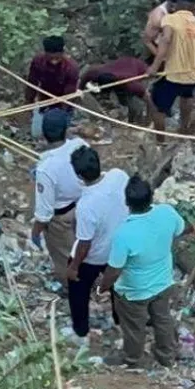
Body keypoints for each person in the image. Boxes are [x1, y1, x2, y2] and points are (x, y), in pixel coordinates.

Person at [100, 175, 195, 368]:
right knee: (162, 319)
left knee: (134, 327)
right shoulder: (167, 213)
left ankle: (133, 358)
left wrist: (102, 287)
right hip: (163, 283)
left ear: (127, 202)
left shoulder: (124, 234)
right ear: (151, 197)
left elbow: (114, 270)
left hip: (134, 291)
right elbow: (185, 228)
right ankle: (166, 355)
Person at [65, 146, 129, 345]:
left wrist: (74, 267)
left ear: (79, 175)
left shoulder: (86, 205)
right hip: (120, 248)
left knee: (78, 290)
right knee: (118, 287)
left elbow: (84, 242)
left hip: (95, 256)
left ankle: (81, 329)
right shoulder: (119, 176)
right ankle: (120, 320)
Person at [147, 0, 195, 141]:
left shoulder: (170, 19)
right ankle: (183, 132)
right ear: (193, 7)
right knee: (186, 97)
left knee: (158, 109)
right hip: (193, 76)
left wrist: (154, 66)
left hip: (173, 75)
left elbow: (165, 41)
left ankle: (161, 141)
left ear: (178, 5)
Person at [30, 109, 88, 282]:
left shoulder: (46, 168)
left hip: (62, 218)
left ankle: (72, 288)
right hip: (83, 205)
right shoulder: (80, 145)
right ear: (66, 130)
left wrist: (35, 232)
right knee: (85, 245)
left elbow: (44, 212)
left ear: (43, 134)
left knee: (65, 257)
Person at [25, 36, 80, 139]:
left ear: (63, 53)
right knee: (37, 135)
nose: (54, 62)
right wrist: (29, 104)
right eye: (51, 58)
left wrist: (59, 118)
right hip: (44, 102)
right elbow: (32, 84)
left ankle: (73, 129)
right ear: (45, 53)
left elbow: (68, 96)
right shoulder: (37, 62)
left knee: (58, 135)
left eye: (57, 58)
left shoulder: (71, 68)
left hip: (64, 105)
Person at [78, 57, 152, 123]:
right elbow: (86, 74)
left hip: (140, 71)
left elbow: (150, 101)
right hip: (122, 65)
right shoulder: (97, 73)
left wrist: (148, 120)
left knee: (133, 103)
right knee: (123, 101)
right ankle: (131, 118)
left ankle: (134, 120)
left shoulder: (131, 84)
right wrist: (79, 90)